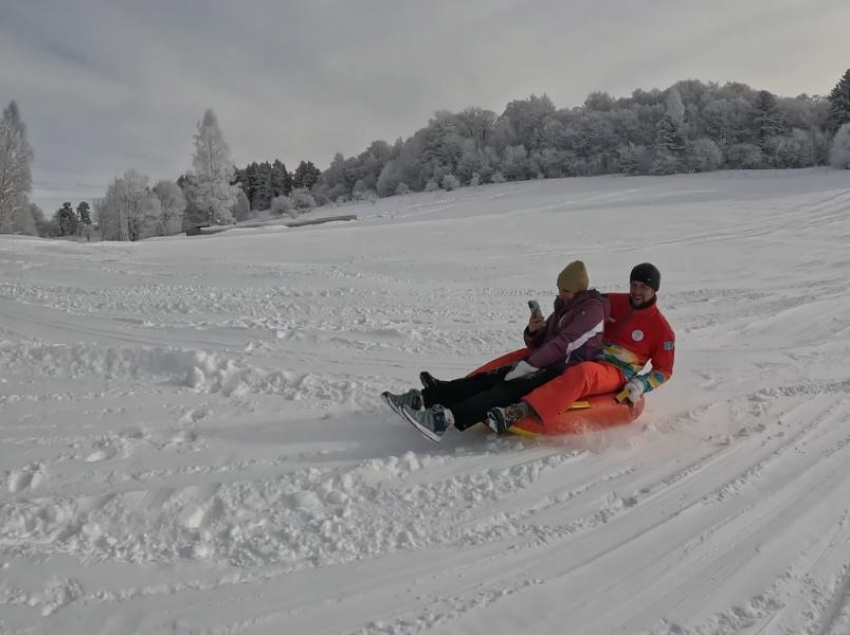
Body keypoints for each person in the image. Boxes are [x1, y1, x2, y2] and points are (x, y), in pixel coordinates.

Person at [382, 260, 607, 442]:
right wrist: (534, 330)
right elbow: (543, 342)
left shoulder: (592, 310)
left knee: (507, 388)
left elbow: (565, 343)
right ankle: (423, 400)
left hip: (564, 370)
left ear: (580, 289)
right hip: (546, 362)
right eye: (559, 290)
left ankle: (443, 421)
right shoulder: (566, 307)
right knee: (487, 378)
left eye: (565, 291)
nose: (560, 295)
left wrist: (529, 366)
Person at [487, 262, 676, 434]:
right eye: (634, 284)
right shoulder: (611, 301)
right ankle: (478, 387)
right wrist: (541, 330)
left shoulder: (662, 330)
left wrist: (641, 384)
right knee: (534, 355)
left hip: (615, 371)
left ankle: (519, 411)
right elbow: (578, 307)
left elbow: (664, 370)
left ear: (654, 290)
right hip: (586, 353)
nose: (637, 291)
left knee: (584, 373)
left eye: (644, 287)